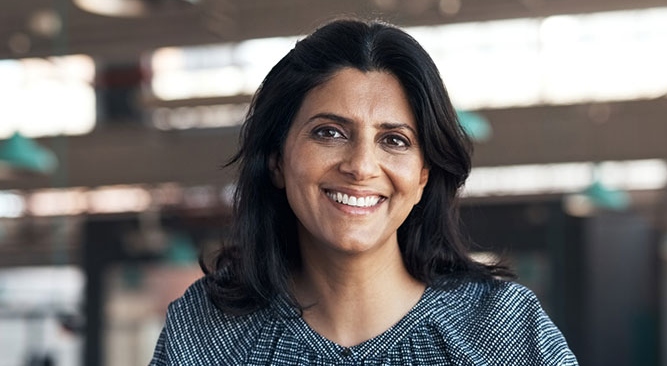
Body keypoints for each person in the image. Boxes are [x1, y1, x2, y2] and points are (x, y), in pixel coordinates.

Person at [149, 18, 578, 365]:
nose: (360, 166)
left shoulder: (503, 332)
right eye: (330, 132)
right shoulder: (204, 333)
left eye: (394, 140)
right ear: (276, 159)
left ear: (424, 173)